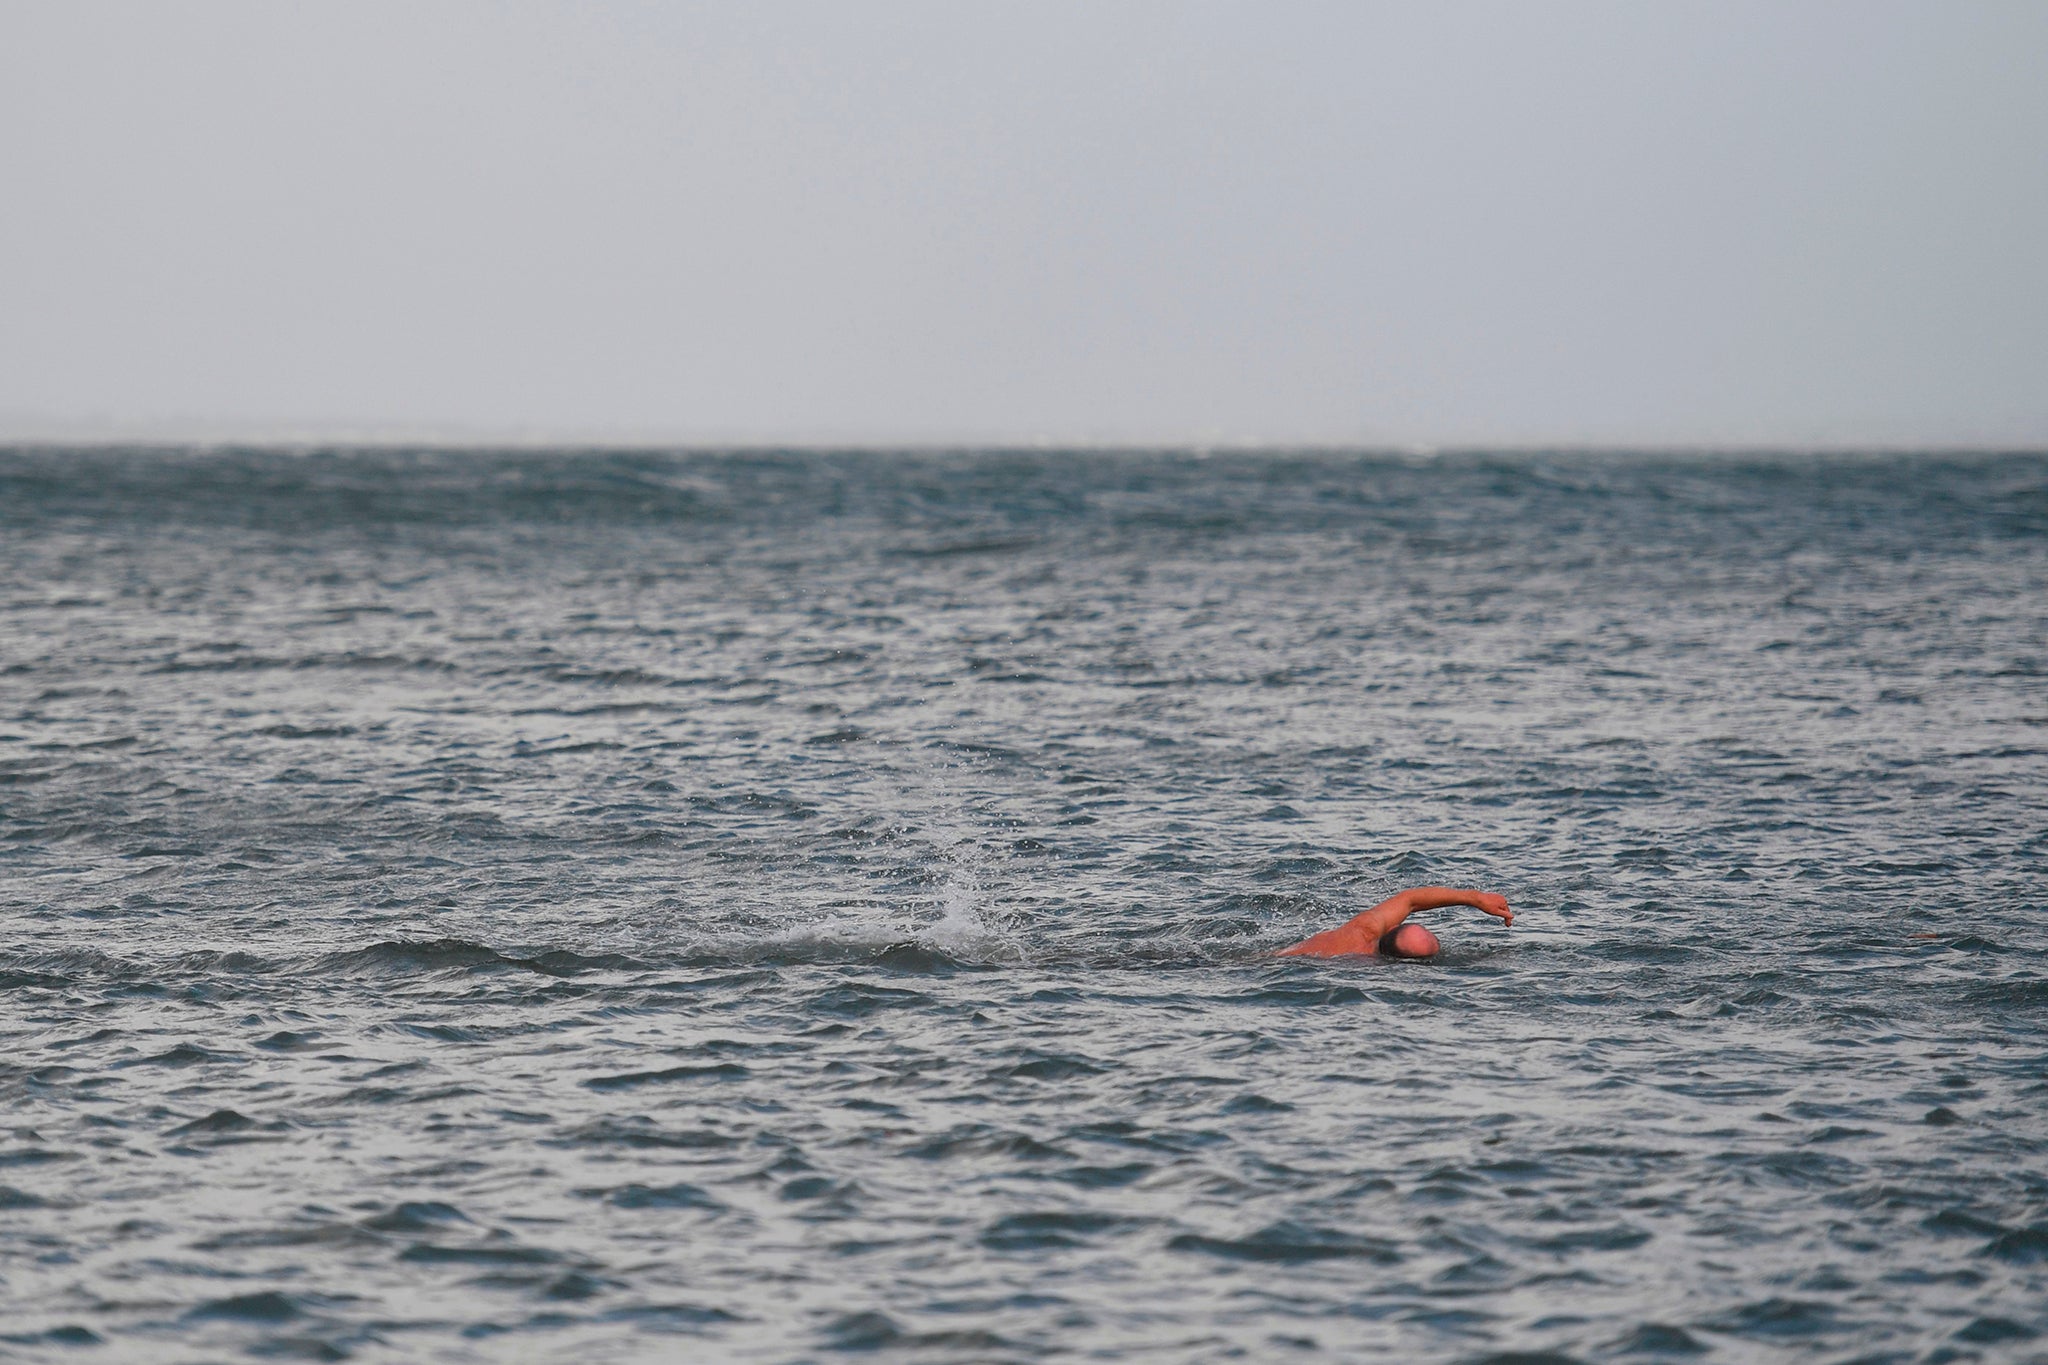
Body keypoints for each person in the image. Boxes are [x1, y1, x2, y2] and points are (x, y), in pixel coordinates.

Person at [1277, 886, 1513, 958]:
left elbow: (1410, 900)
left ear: (1392, 928)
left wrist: (1476, 899)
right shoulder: (1360, 949)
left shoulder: (1364, 929)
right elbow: (1411, 900)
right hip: (1266, 964)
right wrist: (1476, 899)